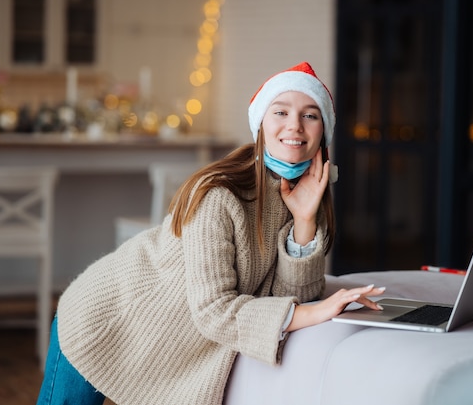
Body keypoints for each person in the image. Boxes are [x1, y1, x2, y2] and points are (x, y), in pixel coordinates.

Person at [36, 62, 385, 405]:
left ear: (323, 132)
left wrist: (305, 221)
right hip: (105, 321)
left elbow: (288, 295)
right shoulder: (220, 195)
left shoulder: (307, 196)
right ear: (261, 125)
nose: (295, 125)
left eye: (310, 115)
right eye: (281, 112)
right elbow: (214, 311)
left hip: (166, 350)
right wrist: (319, 311)